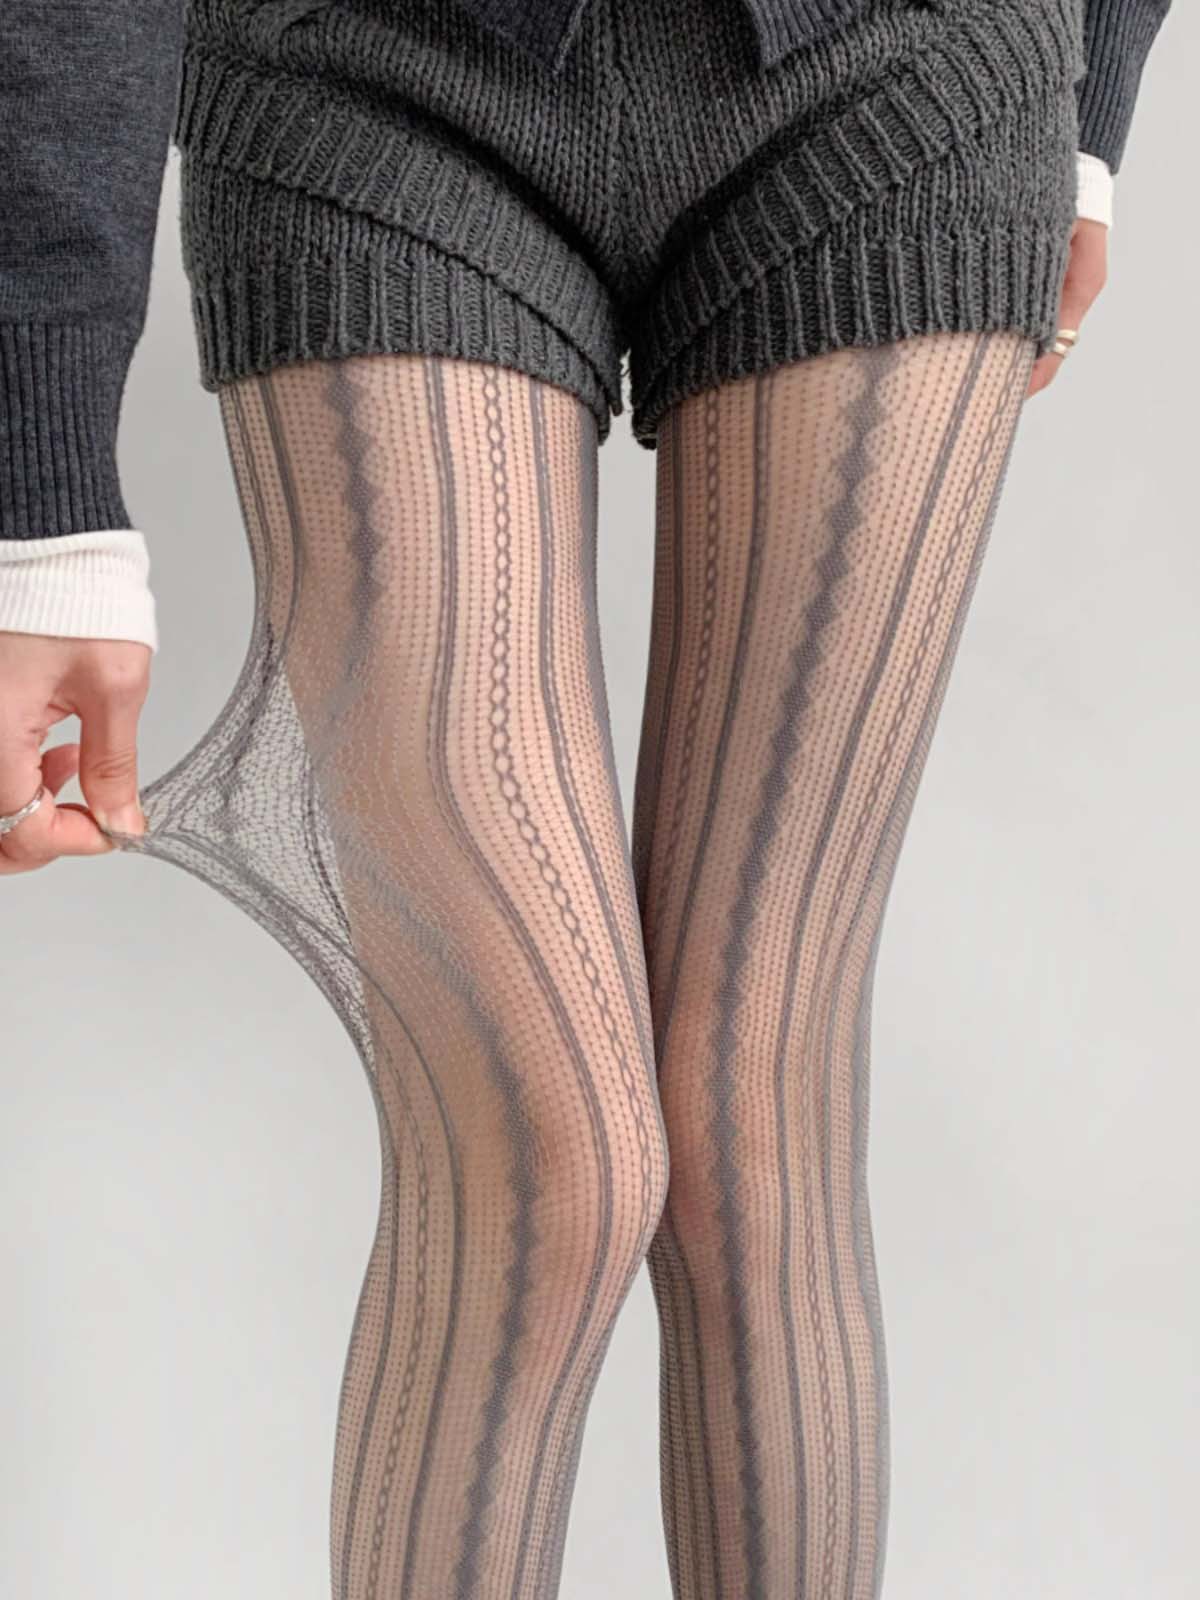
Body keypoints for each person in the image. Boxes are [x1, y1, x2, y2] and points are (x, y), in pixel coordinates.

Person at [0, 1, 1171, 1596]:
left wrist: (1092, 101)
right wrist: (41, 492)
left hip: (904, 68)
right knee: (546, 1156)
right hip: (368, 78)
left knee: (756, 1137)